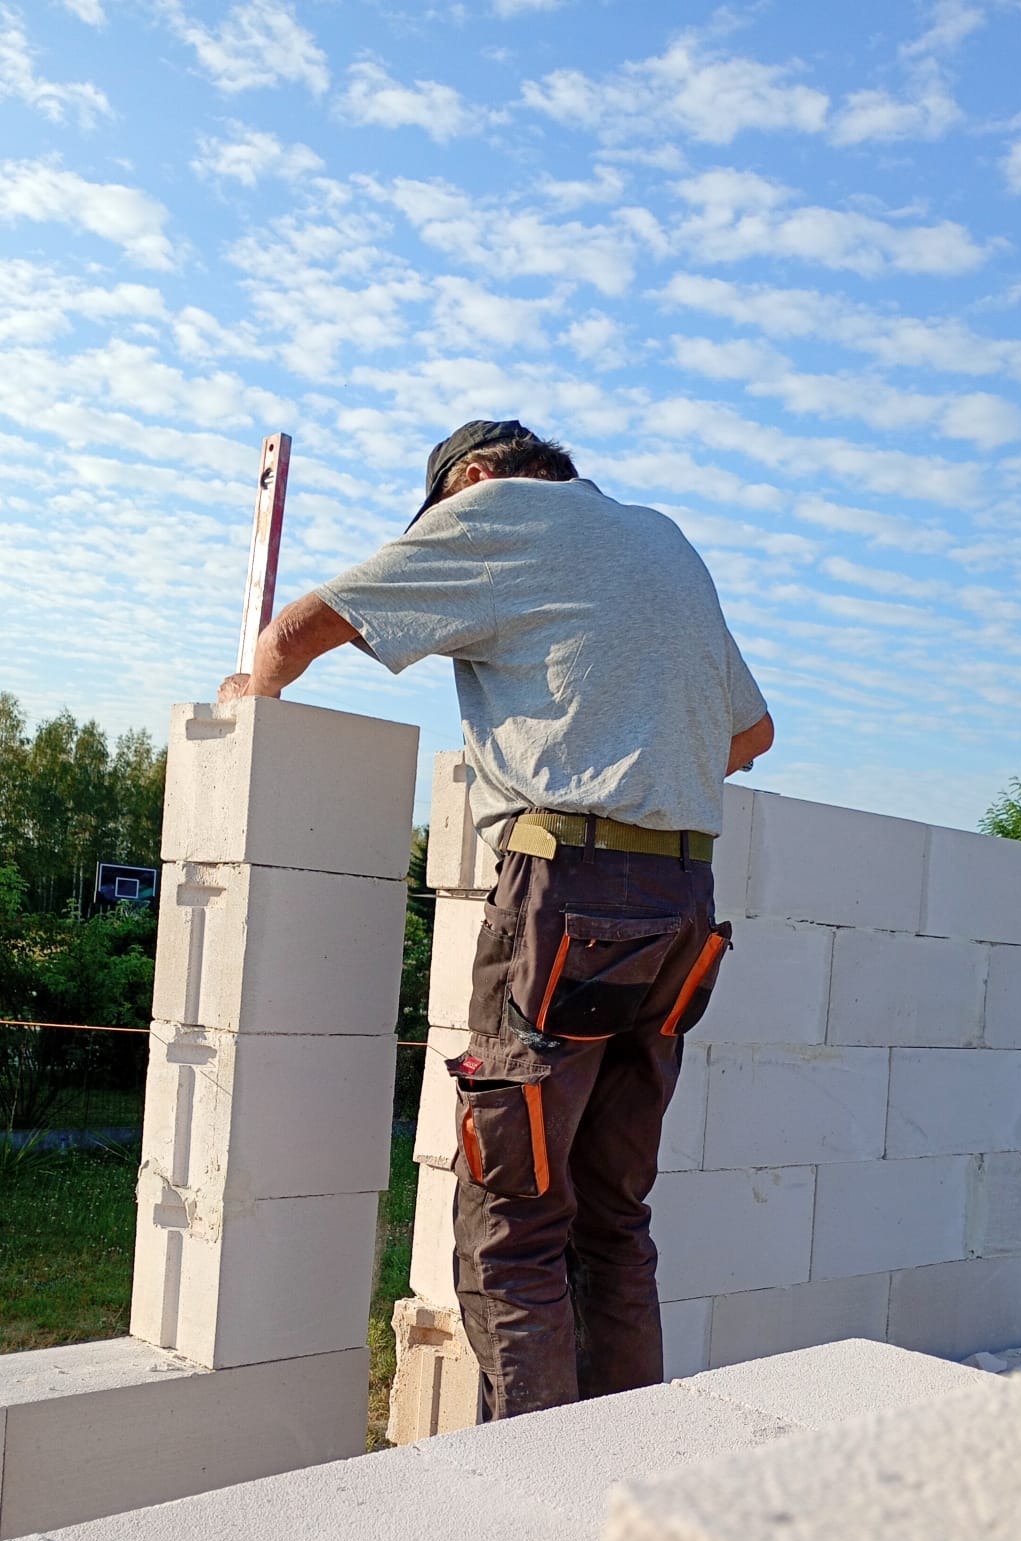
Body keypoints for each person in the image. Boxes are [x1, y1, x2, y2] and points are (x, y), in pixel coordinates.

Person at [218, 418, 774, 1421]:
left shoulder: (494, 510)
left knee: (510, 1220)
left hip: (563, 902)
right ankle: (622, 1460)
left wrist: (249, 694)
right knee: (611, 1214)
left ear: (470, 478)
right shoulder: (658, 535)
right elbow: (750, 733)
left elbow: (300, 630)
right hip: (682, 909)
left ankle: (530, 1493)